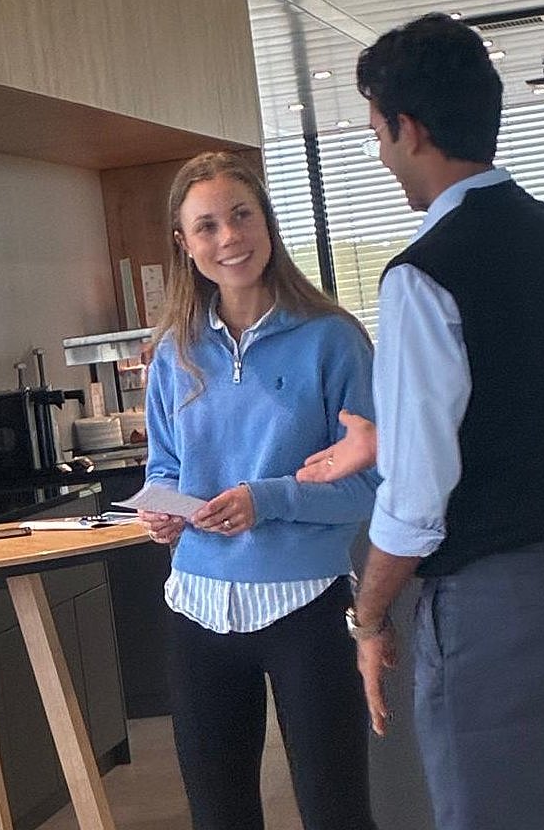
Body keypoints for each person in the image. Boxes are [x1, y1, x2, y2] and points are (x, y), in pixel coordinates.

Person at [298, 14, 544, 830]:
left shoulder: (424, 276)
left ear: (410, 129)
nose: (381, 155)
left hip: (496, 610)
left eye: (378, 134)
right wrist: (387, 439)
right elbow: (519, 406)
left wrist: (369, 616)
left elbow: (418, 498)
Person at [139, 152, 379, 830]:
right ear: (184, 244)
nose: (229, 238)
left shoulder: (333, 340)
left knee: (337, 814)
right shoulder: (173, 352)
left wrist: (265, 499)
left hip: (308, 607)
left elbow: (370, 485)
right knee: (219, 818)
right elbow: (163, 468)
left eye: (242, 215)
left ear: (268, 223)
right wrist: (162, 509)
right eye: (207, 226)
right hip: (196, 607)